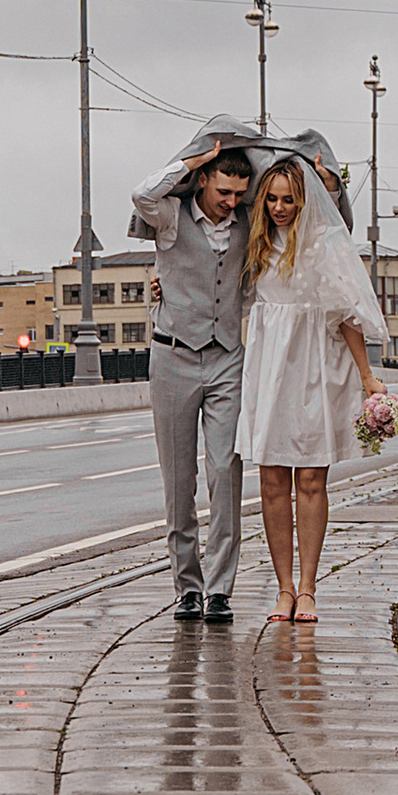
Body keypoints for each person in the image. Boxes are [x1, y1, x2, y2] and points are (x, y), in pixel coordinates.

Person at [240, 150, 386, 623]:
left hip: (316, 367)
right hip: (269, 369)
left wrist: (367, 376)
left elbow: (346, 314)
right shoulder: (257, 243)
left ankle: (307, 589)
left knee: (310, 478)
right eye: (273, 200)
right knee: (271, 480)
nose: (279, 209)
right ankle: (283, 589)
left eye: (289, 201)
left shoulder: (324, 243)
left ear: (305, 202)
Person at [129, 118, 261, 622]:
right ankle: (186, 585)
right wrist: (194, 159)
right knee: (179, 479)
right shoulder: (170, 217)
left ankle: (220, 588)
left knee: (225, 470)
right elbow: (142, 192)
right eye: (224, 191)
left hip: (227, 354)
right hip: (173, 355)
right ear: (204, 180)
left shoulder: (249, 225)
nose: (232, 202)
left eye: (238, 194)